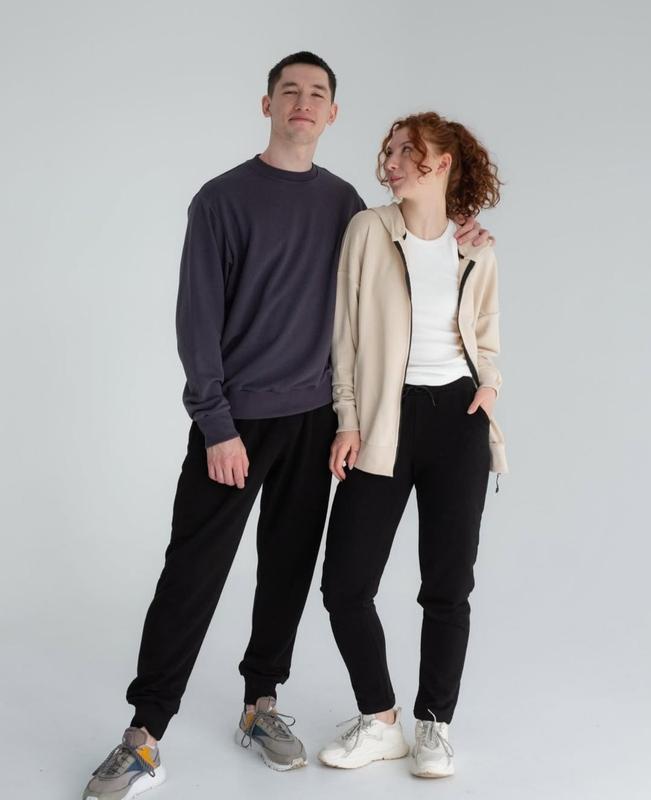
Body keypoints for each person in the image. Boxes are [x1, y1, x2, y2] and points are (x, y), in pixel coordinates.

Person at [82, 56, 492, 798]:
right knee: (192, 574)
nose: (304, 102)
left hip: (316, 422)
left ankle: (260, 704)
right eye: (290, 91)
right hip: (236, 421)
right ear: (267, 103)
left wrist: (464, 235)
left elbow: (404, 260)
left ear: (332, 114)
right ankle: (143, 735)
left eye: (318, 93)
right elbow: (195, 321)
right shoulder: (221, 199)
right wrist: (215, 425)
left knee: (288, 570)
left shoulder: (346, 206)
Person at [318, 111, 507, 778]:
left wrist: (490, 385)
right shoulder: (369, 230)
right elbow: (345, 333)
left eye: (407, 152)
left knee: (448, 585)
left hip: (458, 418)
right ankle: (381, 721)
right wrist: (347, 419)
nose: (392, 163)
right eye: (390, 151)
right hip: (383, 419)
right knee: (345, 584)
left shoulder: (475, 247)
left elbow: (485, 331)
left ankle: (434, 726)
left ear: (442, 163)